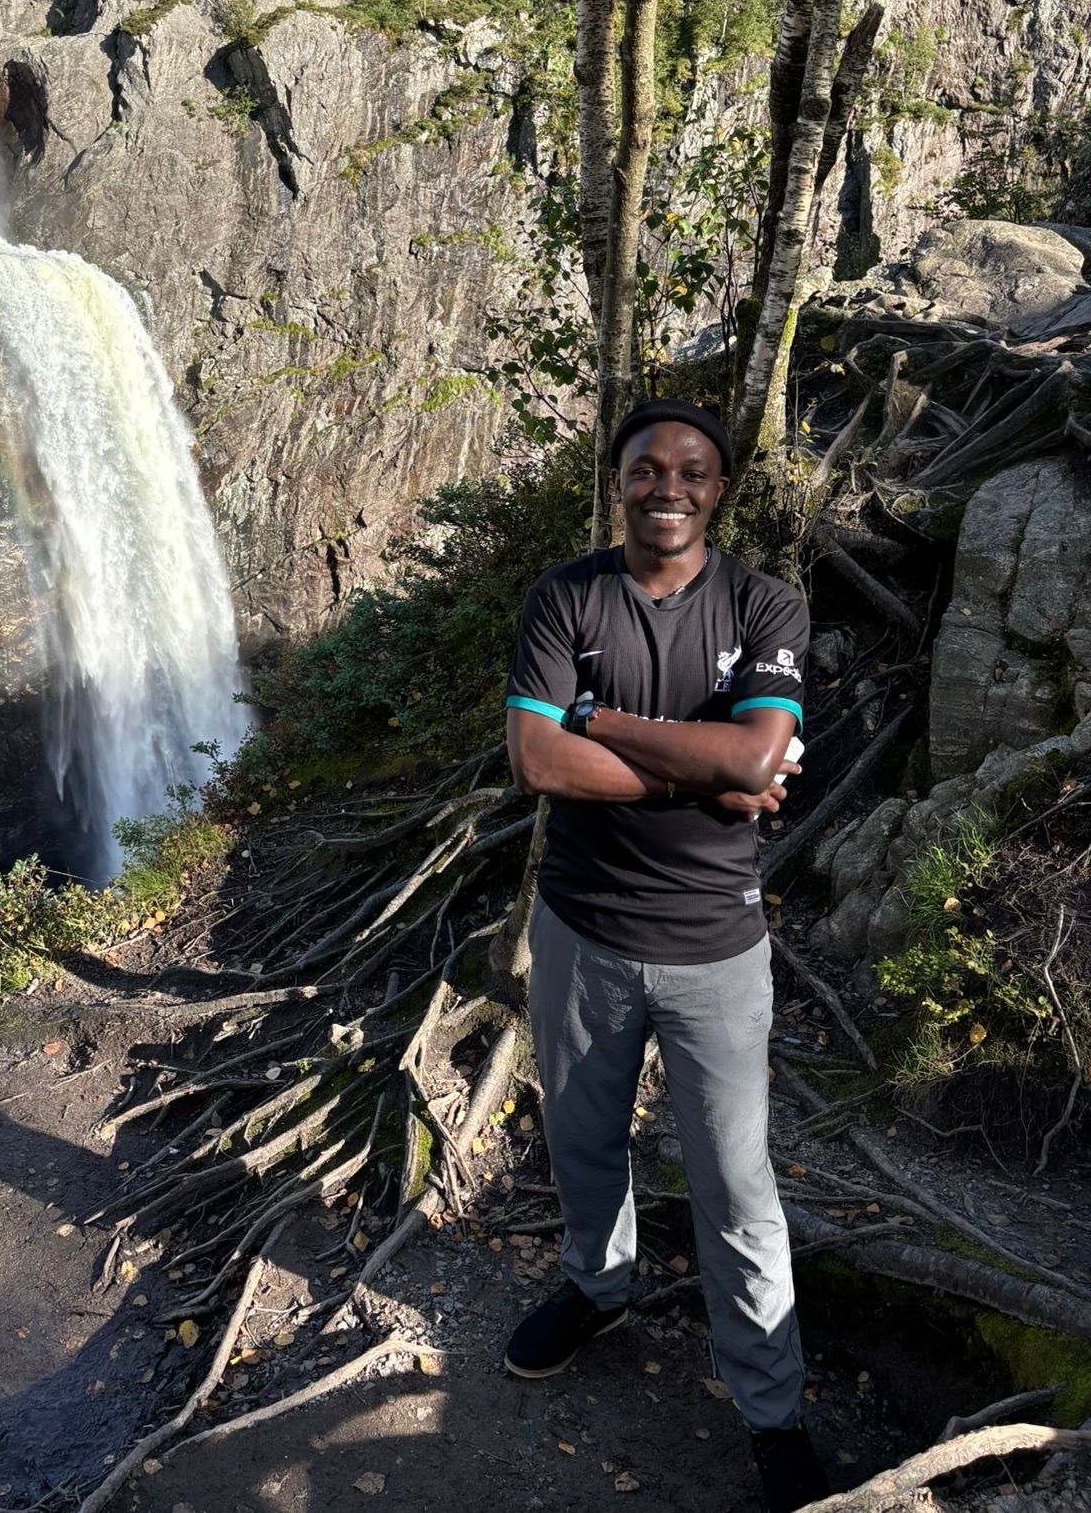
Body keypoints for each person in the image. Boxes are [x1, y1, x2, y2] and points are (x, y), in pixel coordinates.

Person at [501, 400, 829, 1513]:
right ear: (618, 483)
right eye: (646, 470)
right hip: (583, 934)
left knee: (738, 1185)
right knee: (583, 1139)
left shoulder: (764, 602)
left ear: (720, 488)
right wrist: (713, 779)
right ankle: (599, 1288)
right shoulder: (567, 596)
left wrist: (601, 721)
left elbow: (757, 748)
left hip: (715, 949)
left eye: (691, 471)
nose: (667, 488)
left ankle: (772, 1408)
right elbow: (537, 763)